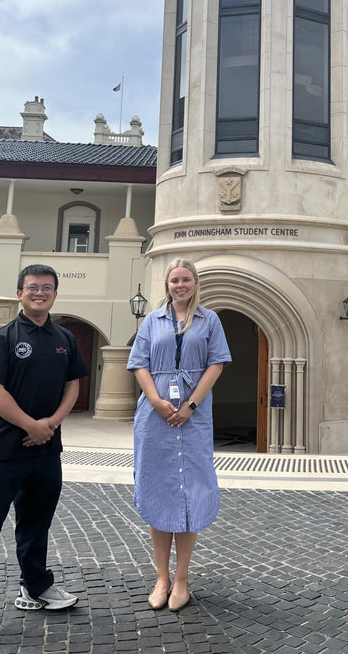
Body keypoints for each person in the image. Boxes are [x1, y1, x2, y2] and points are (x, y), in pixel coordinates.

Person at [0, 264, 89, 647]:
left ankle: (35, 587)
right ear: (20, 293)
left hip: (46, 450)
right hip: (2, 451)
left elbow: (73, 385)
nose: (39, 293)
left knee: (35, 524)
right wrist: (31, 425)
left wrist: (51, 424)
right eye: (32, 287)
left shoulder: (64, 338)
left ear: (55, 294)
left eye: (47, 287)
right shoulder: (3, 339)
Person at [127, 257, 231, 612]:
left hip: (193, 417)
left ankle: (182, 578)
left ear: (195, 282)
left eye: (186, 279)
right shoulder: (152, 320)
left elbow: (216, 364)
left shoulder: (209, 320)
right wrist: (156, 401)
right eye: (174, 280)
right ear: (167, 285)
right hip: (155, 415)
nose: (180, 285)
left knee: (190, 493)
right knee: (159, 491)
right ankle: (161, 578)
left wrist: (191, 405)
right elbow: (139, 364)